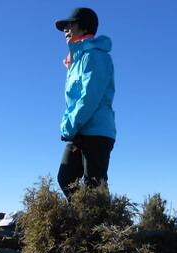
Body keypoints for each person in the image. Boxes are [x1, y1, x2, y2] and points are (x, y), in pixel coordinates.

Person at [55, 7, 116, 198]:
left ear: (83, 27)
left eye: (69, 24)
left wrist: (69, 126)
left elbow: (90, 97)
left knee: (94, 186)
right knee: (66, 179)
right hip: (79, 129)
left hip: (97, 130)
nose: (65, 29)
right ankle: (81, 223)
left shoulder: (95, 56)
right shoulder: (76, 59)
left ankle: (99, 227)